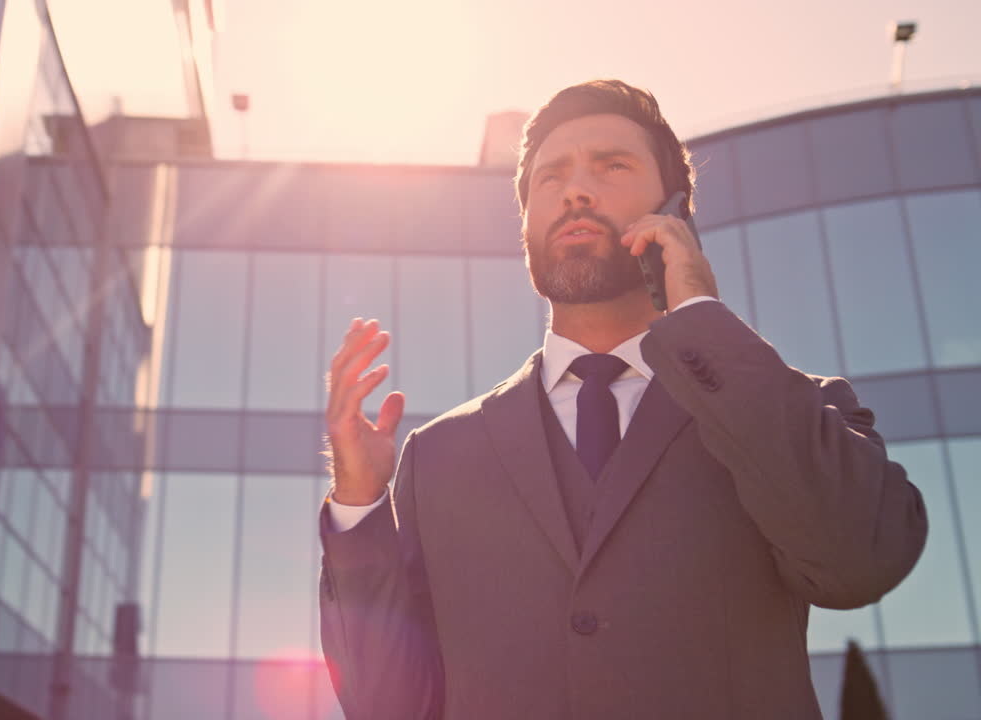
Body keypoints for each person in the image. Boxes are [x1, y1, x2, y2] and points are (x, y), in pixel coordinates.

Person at [318, 80, 927, 719]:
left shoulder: (790, 411)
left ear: (676, 212)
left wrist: (699, 314)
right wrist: (359, 502)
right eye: (551, 176)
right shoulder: (438, 454)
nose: (575, 191)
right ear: (525, 226)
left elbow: (861, 562)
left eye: (612, 165)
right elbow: (390, 706)